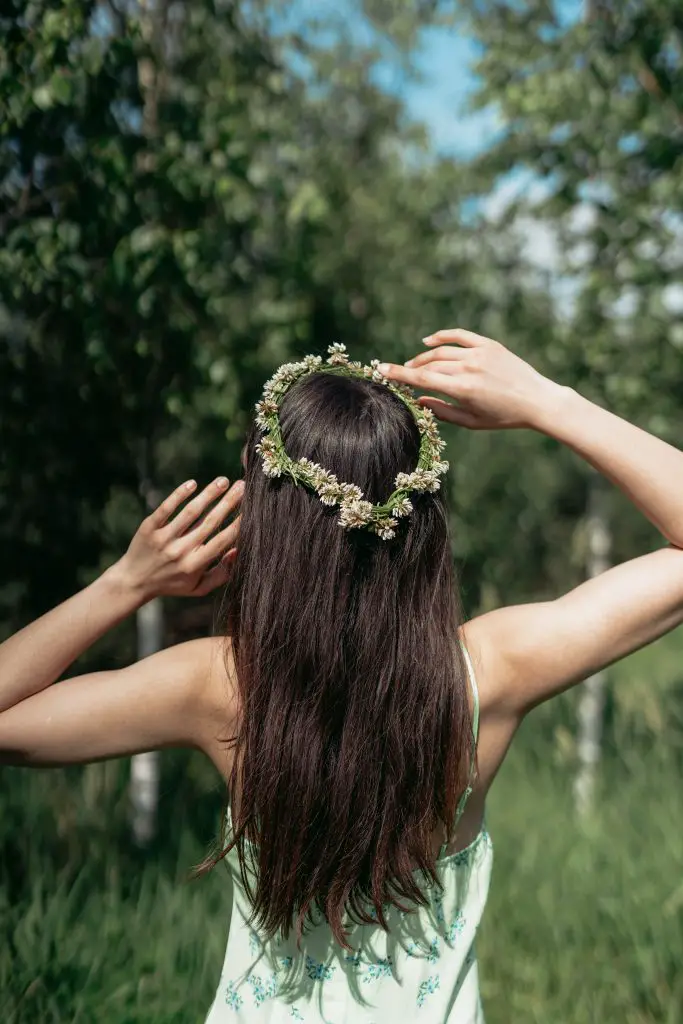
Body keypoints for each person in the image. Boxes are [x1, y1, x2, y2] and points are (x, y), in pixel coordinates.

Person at [1, 329, 682, 1024]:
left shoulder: (221, 688)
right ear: (422, 519)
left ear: (274, 522)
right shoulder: (488, 675)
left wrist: (125, 584)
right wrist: (546, 400)